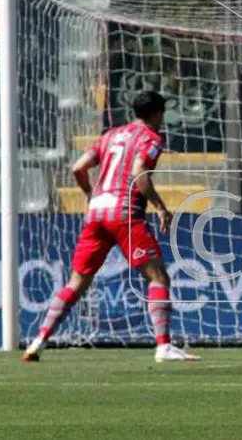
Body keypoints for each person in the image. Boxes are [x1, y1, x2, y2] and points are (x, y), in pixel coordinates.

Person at [22, 91, 199, 363]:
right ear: (157, 114)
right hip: (124, 212)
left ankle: (39, 340)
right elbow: (139, 171)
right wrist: (161, 207)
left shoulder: (110, 135)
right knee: (158, 278)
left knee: (76, 284)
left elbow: (78, 168)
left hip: (97, 213)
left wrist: (90, 194)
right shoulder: (151, 138)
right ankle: (163, 346)